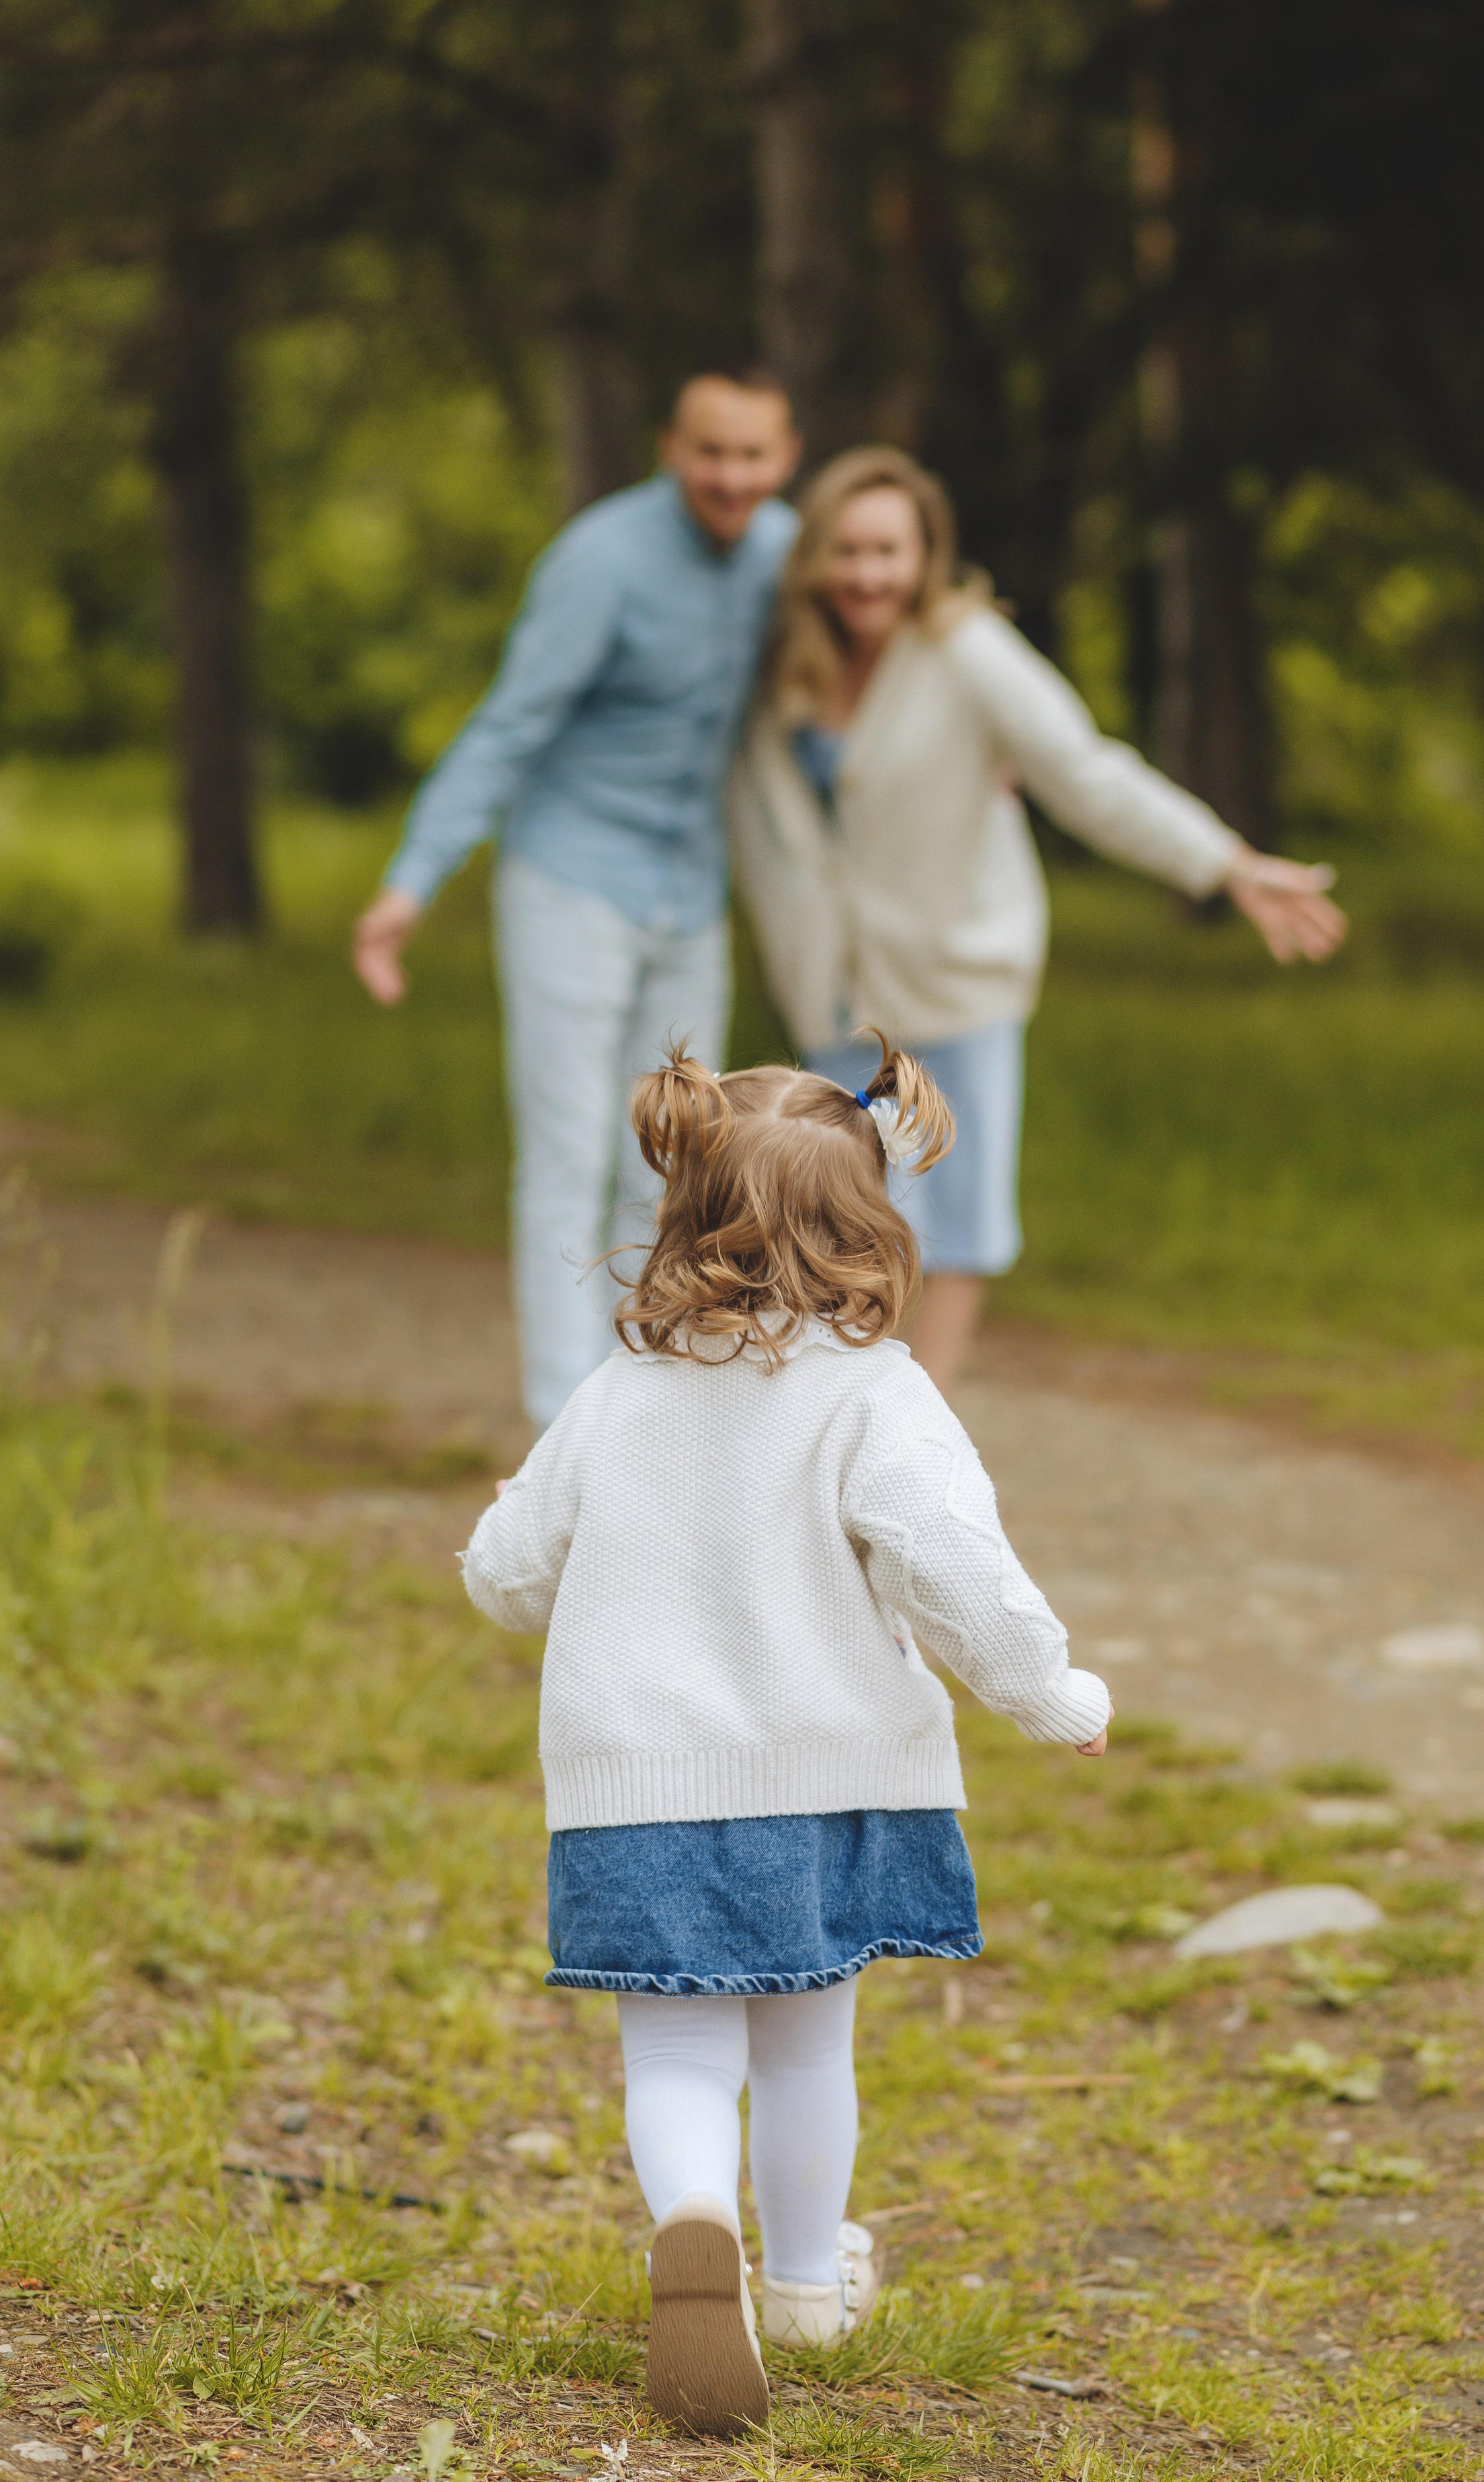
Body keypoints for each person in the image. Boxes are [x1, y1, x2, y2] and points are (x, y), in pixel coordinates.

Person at [460, 1044, 1113, 2436]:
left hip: (633, 1792)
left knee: (677, 2058)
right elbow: (957, 1570)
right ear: (869, 1223)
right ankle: (809, 2285)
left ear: (683, 1206)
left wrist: (502, 1534)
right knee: (811, 2048)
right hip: (827, 1779)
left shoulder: (613, 1394)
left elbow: (507, 1576)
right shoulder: (875, 1394)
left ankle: (694, 2218)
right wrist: (1051, 1693)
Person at [728, 445, 1348, 1390]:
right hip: (833, 994)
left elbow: (1084, 772)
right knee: (829, 1226)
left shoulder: (966, 651)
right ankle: (835, 1421)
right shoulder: (785, 667)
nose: (868, 575)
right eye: (847, 551)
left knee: (957, 1221)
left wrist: (1225, 864)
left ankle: (916, 1426)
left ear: (926, 554)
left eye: (889, 551)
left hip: (953, 983)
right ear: (815, 557)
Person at [351, 370, 802, 1428]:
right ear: (670, 449)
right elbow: (510, 723)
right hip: (572, 879)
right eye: (710, 453)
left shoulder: (787, 552)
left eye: (752, 456)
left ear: (784, 459)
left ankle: (641, 1402)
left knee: (681, 1152)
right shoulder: (601, 560)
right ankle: (564, 1421)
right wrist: (411, 884)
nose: (730, 477)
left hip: (689, 890)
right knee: (567, 1145)